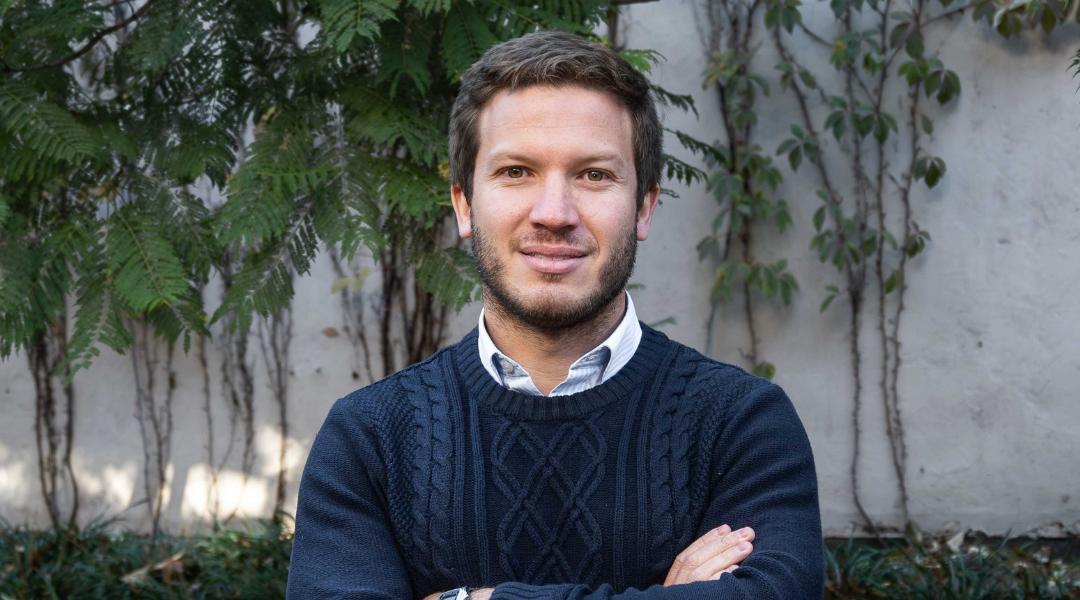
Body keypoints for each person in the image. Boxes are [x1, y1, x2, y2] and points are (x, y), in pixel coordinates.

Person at [286, 30, 824, 600]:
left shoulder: (741, 423)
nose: (554, 213)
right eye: (516, 171)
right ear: (464, 205)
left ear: (643, 207)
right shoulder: (370, 436)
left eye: (594, 174)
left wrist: (475, 599)